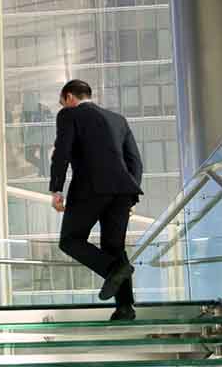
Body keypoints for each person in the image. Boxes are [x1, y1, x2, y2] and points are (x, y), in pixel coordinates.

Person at [50, 79, 144, 320]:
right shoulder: (118, 119)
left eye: (63, 101)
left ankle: (114, 269)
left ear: (70, 97)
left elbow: (62, 152)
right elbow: (134, 161)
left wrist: (57, 189)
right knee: (114, 247)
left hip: (90, 188)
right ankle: (125, 308)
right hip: (123, 191)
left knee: (70, 240)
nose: (63, 105)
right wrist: (130, 195)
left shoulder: (68, 115)